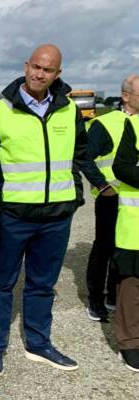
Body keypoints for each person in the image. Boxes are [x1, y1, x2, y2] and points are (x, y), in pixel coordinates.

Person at [0, 44, 102, 376]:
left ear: (57, 74)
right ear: (26, 65)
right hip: (13, 217)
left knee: (42, 284)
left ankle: (38, 343)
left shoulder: (68, 111)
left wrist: (93, 188)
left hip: (56, 217)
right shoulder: (1, 109)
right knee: (2, 283)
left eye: (47, 70)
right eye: (35, 66)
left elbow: (80, 153)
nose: (39, 74)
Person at [83, 75, 139, 321]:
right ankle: (96, 299)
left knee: (126, 249)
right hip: (111, 197)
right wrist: (102, 185)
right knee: (104, 248)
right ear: (125, 96)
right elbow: (84, 156)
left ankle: (115, 296)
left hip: (134, 200)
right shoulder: (105, 124)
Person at [111, 112, 139, 373]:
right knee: (132, 287)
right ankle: (131, 343)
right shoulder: (136, 125)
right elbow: (122, 167)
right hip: (135, 227)